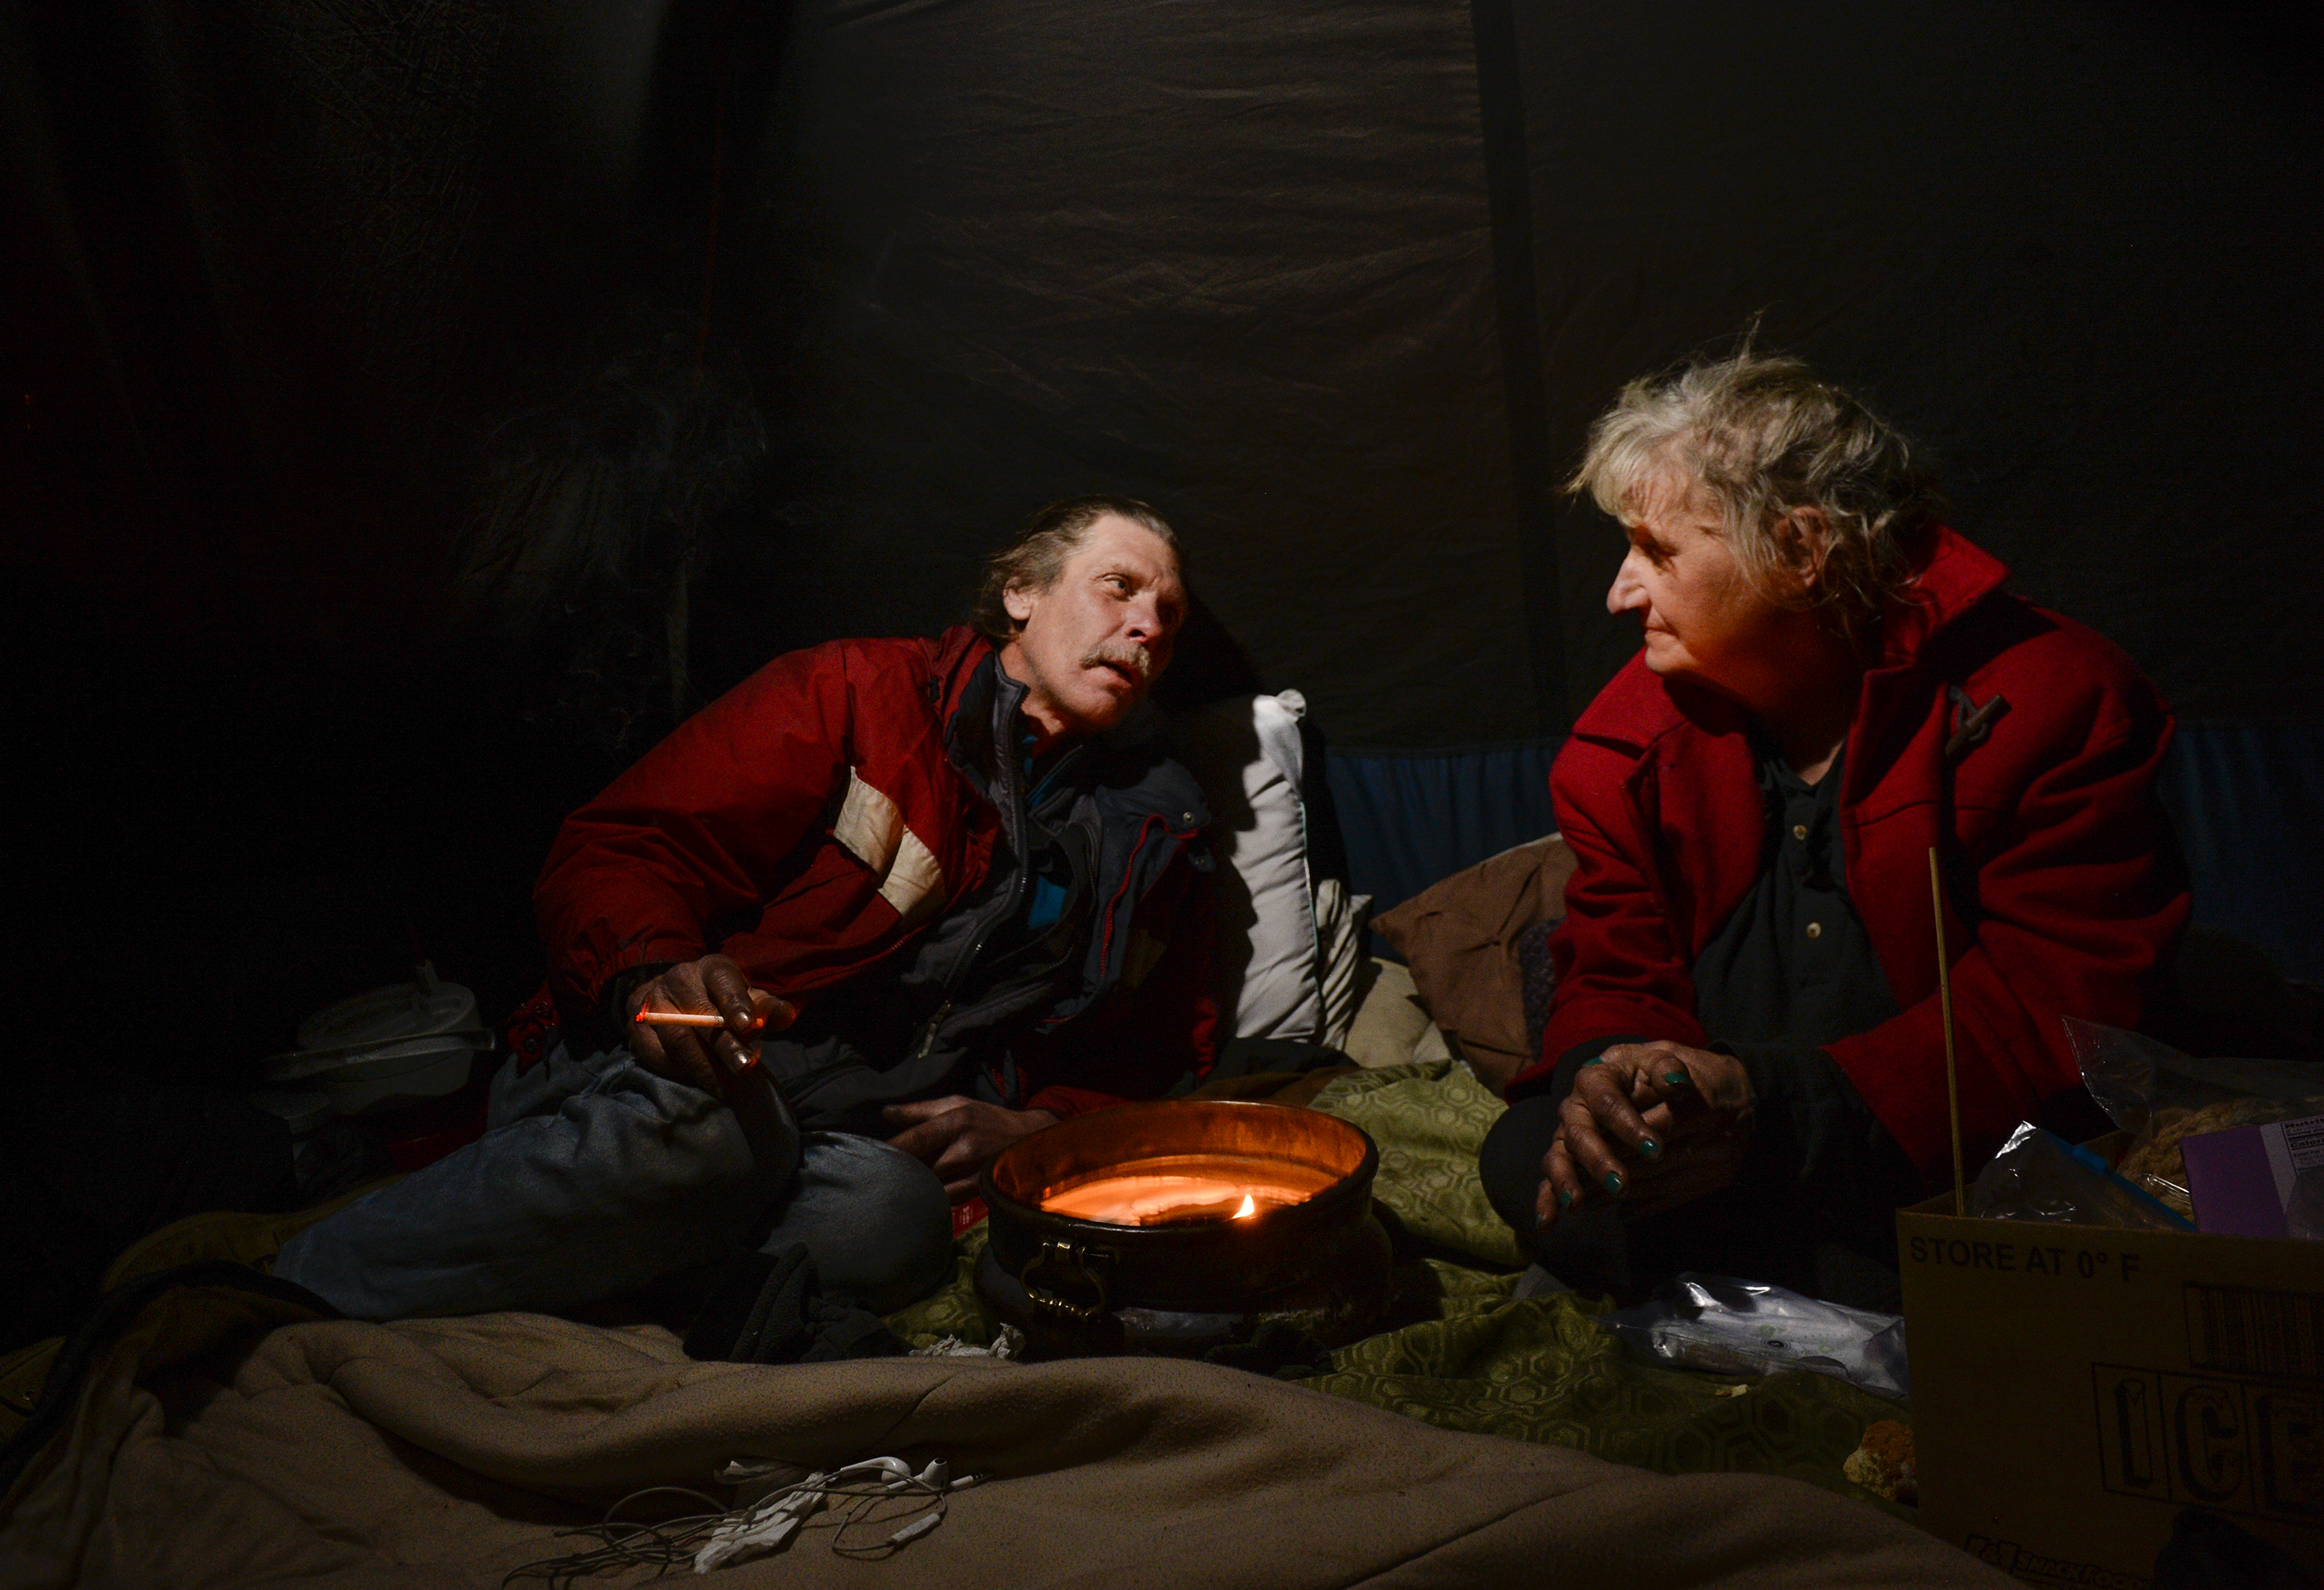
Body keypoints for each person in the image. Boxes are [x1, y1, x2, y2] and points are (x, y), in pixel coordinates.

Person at [278, 496, 1218, 1320]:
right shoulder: (857, 695)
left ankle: (573, 1252)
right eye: (1119, 586)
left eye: (1167, 618)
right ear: (1021, 590)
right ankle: (290, 1286)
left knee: (893, 1226)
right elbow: (626, 847)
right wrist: (652, 973)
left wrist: (1046, 1125)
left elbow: (1161, 1045)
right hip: (679, 1069)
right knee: (716, 1141)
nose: (1146, 626)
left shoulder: (1148, 831)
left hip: (838, 1140)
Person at [1479, 351, 2188, 1307]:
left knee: (2038, 1205)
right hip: (1714, 1152)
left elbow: (2057, 1007)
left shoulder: (2053, 701)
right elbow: (1614, 967)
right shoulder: (1624, 746)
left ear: (1800, 549)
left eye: (1656, 550)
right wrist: (1618, 1078)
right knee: (1530, 1151)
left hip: (1944, 1151)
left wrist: (1772, 1105)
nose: (1621, 592)